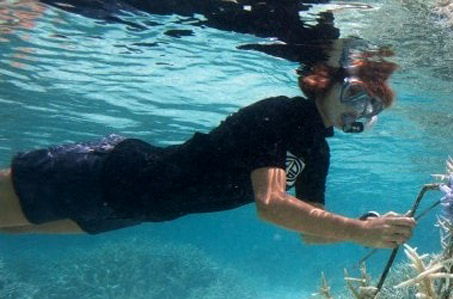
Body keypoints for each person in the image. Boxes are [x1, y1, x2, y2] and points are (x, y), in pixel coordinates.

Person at [0, 39, 416, 249]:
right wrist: (360, 233)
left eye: (372, 108)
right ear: (328, 80)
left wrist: (372, 226)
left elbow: (312, 232)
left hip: (126, 210)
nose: (360, 111)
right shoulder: (284, 113)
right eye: (357, 94)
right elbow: (271, 204)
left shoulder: (316, 150)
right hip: (108, 172)